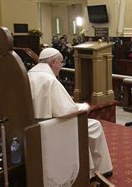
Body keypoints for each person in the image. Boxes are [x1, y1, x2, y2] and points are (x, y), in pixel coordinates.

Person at [27, 48, 112, 179]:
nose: (61, 67)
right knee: (95, 126)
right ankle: (102, 169)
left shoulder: (30, 73)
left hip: (35, 124)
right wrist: (84, 106)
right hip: (51, 127)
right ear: (54, 61)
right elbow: (66, 110)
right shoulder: (50, 79)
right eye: (61, 63)